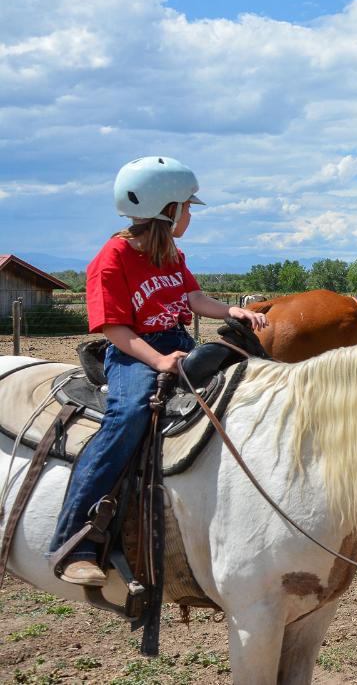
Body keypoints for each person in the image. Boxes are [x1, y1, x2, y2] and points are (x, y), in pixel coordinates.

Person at [49, 157, 270, 587]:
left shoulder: (169, 252)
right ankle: (76, 541)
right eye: (186, 206)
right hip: (132, 352)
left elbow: (193, 298)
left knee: (250, 378)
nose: (190, 214)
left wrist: (232, 310)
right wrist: (156, 361)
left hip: (177, 341)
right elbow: (114, 328)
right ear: (166, 210)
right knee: (128, 416)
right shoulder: (111, 258)